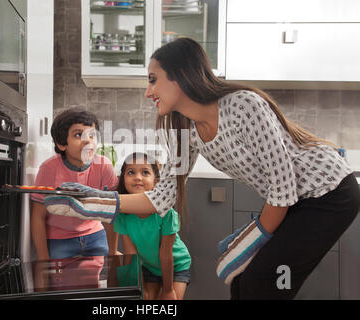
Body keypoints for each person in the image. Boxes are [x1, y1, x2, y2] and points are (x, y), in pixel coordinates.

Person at [44, 38, 360, 300]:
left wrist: (253, 240)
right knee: (244, 284)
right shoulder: (185, 130)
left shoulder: (243, 104)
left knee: (260, 285)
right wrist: (99, 202)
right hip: (292, 200)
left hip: (329, 192)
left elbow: (283, 185)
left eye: (153, 79)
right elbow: (163, 195)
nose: (148, 92)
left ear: (179, 75)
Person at [30, 109, 119, 260]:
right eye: (78, 135)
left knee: (96, 282)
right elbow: (38, 217)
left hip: (95, 234)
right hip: (59, 239)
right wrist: (43, 258)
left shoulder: (104, 165)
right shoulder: (49, 168)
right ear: (61, 144)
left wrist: (113, 251)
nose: (88, 140)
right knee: (61, 283)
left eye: (92, 135)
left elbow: (112, 212)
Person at [113, 152, 191, 300]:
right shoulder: (122, 214)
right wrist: (132, 286)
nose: (137, 177)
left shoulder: (166, 213)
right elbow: (131, 253)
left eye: (145, 172)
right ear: (123, 179)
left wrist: (168, 290)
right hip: (149, 267)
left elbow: (166, 254)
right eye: (131, 172)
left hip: (176, 267)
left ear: (156, 181)